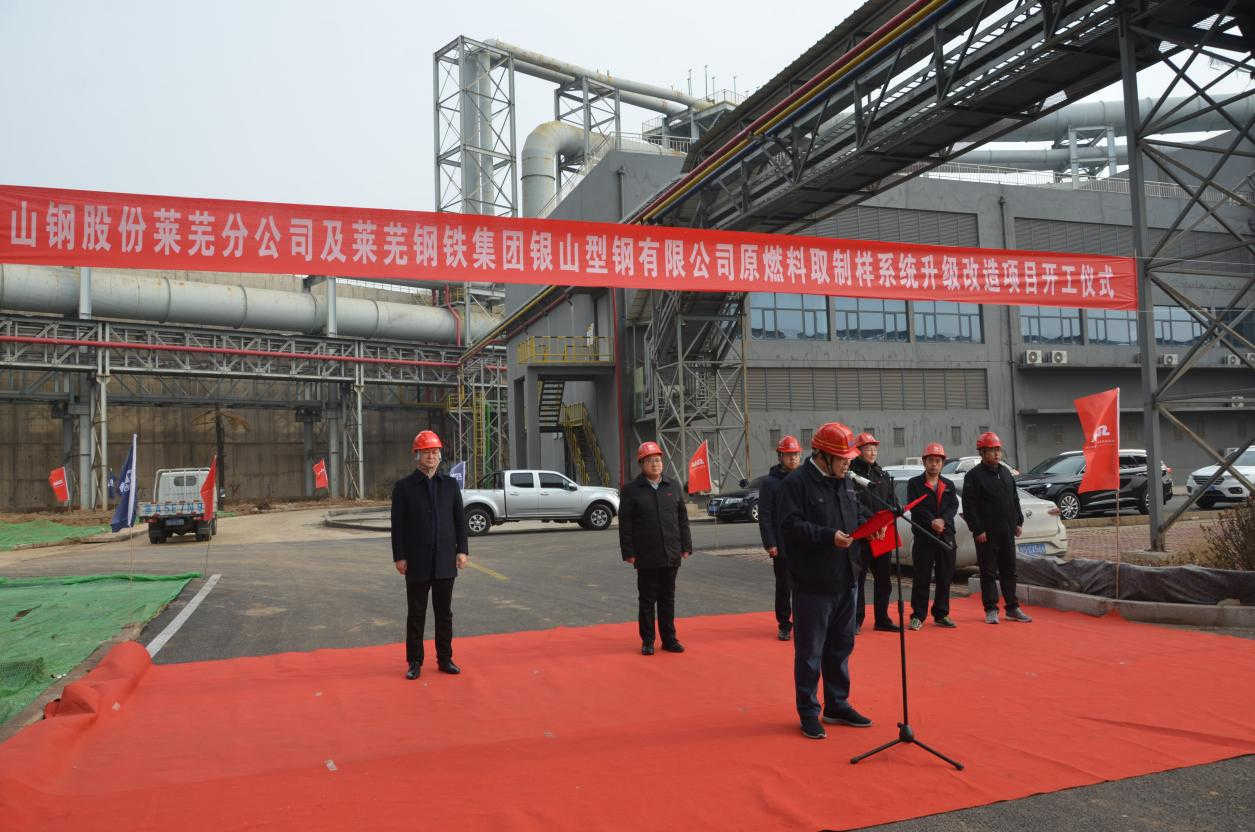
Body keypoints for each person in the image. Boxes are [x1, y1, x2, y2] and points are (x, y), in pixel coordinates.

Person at [779, 422, 873, 740]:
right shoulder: (796, 483)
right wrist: (828, 536)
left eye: (849, 459)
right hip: (813, 583)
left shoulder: (844, 481)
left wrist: (870, 526)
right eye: (842, 459)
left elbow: (855, 513)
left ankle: (837, 704)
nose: (847, 464)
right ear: (822, 456)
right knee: (810, 652)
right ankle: (808, 711)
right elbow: (790, 527)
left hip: (847, 577)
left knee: (841, 646)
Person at [391, 430, 469, 679]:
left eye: (435, 452)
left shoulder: (450, 485)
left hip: (445, 559)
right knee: (416, 614)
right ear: (417, 455)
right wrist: (400, 556)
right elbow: (398, 526)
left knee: (444, 613)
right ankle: (414, 662)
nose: (431, 456)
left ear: (440, 455)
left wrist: (462, 550)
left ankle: (445, 659)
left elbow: (459, 521)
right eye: (426, 452)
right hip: (417, 561)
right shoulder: (404, 488)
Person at [619, 441, 693, 655]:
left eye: (658, 460)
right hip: (646, 554)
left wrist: (686, 545)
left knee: (667, 598)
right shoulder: (631, 490)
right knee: (647, 599)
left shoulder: (673, 486)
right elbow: (625, 524)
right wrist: (629, 552)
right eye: (650, 461)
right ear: (641, 464)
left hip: (671, 552)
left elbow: (682, 519)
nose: (655, 464)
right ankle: (648, 640)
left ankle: (669, 639)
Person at [961, 431, 1032, 624]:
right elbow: (969, 507)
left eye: (998, 450)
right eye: (992, 450)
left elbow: (1014, 499)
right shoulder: (973, 476)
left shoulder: (1006, 473)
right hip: (986, 534)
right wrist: (978, 530)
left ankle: (1012, 607)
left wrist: (1018, 521)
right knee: (988, 572)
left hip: (1007, 531)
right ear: (982, 452)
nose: (996, 454)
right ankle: (991, 609)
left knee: (1009, 570)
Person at [906, 443, 960, 630]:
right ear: (924, 462)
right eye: (930, 460)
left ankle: (941, 613)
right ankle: (918, 616)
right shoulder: (914, 484)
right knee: (921, 577)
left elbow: (953, 506)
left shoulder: (949, 485)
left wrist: (943, 520)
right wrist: (931, 521)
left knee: (945, 577)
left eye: (938, 461)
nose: (934, 464)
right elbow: (916, 506)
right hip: (924, 537)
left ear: (942, 463)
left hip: (946, 535)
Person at [851, 432, 899, 633]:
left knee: (884, 580)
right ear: (858, 451)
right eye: (867, 448)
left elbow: (892, 502)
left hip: (882, 533)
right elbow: (853, 504)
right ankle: (856, 620)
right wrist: (871, 524)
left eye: (874, 448)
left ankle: (882, 619)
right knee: (858, 580)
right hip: (862, 534)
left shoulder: (882, 474)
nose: (872, 452)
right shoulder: (851, 474)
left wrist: (886, 521)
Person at [758, 434, 802, 641]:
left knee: (805, 586)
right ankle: (784, 624)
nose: (793, 458)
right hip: (782, 544)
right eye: (789, 455)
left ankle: (803, 622)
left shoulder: (803, 478)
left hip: (803, 541)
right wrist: (770, 542)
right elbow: (765, 515)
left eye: (796, 455)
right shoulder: (770, 483)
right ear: (780, 456)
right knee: (784, 586)